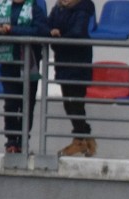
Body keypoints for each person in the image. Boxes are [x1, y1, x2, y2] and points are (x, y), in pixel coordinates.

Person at [0, 0, 48, 153]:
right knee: (11, 102)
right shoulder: (1, 7)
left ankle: (23, 140)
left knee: (28, 103)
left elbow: (41, 31)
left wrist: (13, 30)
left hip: (29, 63)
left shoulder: (35, 8)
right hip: (9, 62)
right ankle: (12, 140)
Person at [48, 0, 96, 157]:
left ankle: (80, 139)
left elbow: (78, 31)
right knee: (68, 103)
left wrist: (57, 36)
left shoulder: (85, 6)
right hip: (63, 61)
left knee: (76, 101)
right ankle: (85, 138)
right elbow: (48, 26)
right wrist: (52, 32)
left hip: (78, 62)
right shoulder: (58, 8)